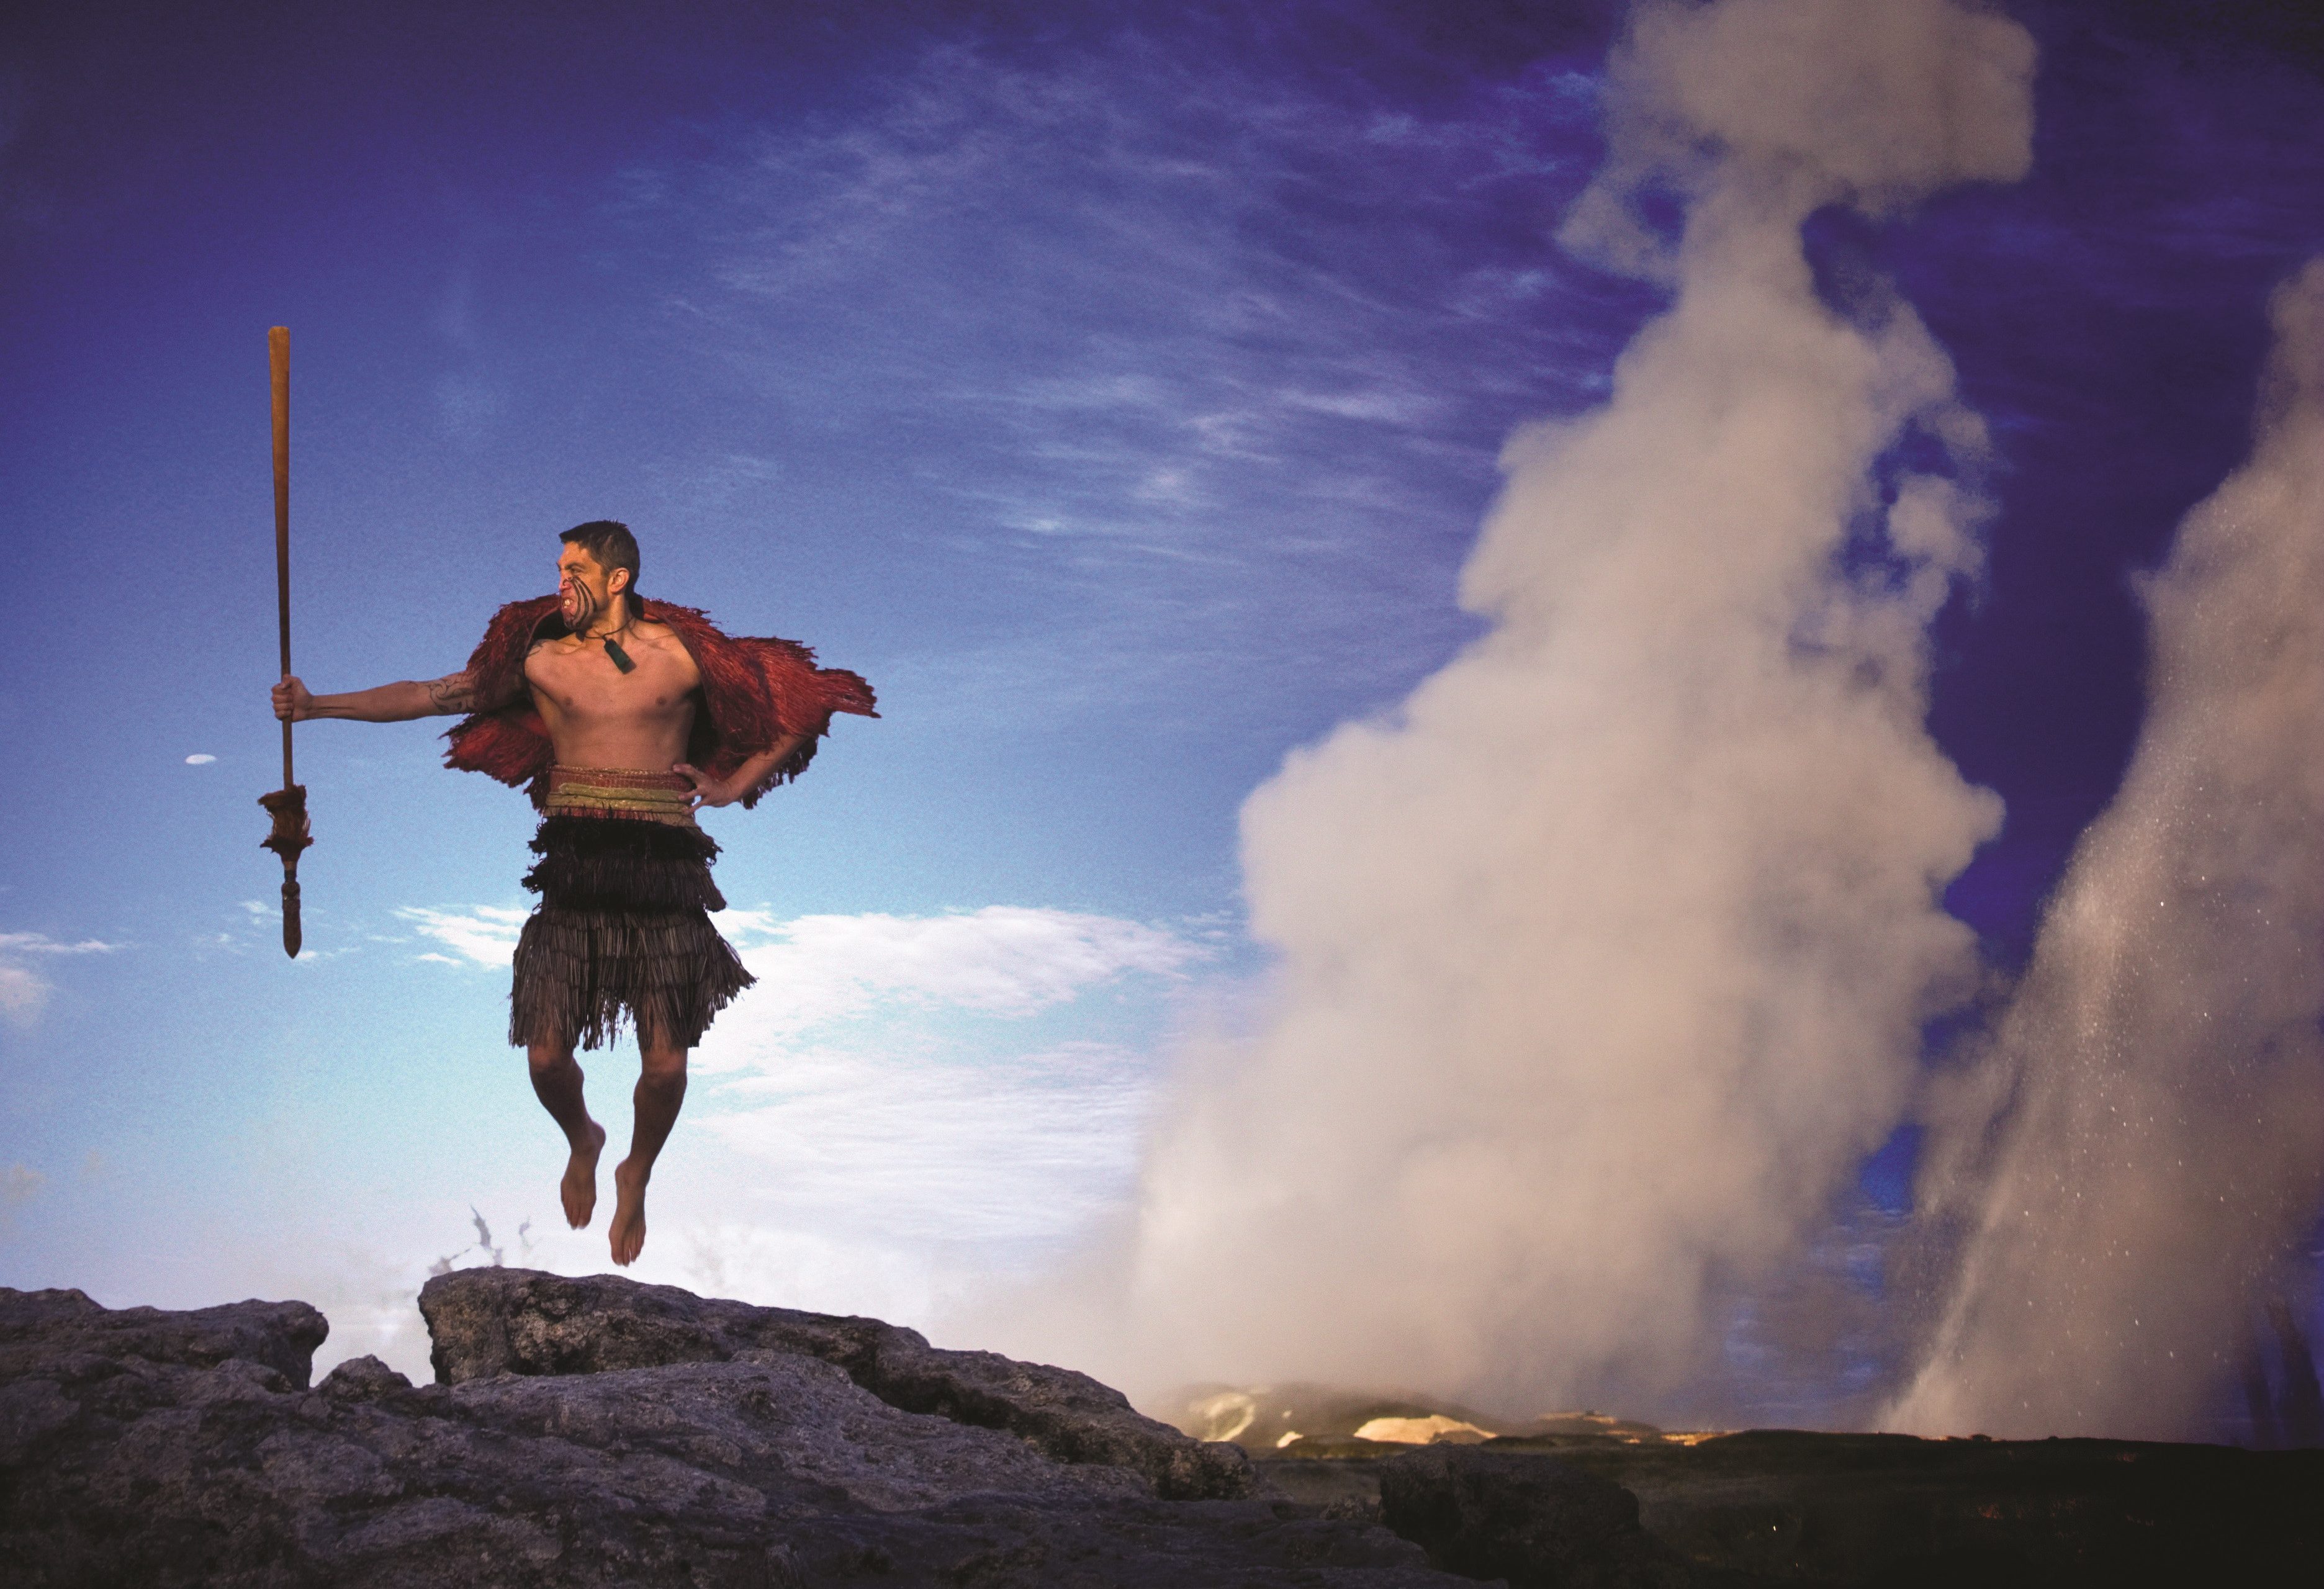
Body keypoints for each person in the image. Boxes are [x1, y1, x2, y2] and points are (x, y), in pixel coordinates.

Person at [272, 520, 875, 1264]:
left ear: (618, 578)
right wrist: (316, 704)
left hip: (665, 877)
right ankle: (583, 1137)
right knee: (546, 1058)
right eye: (559, 567)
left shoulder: (685, 656)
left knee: (666, 1067)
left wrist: (731, 786)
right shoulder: (541, 660)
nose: (562, 581)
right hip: (573, 871)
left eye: (576, 568)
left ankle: (637, 1169)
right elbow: (432, 696)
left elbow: (803, 700)